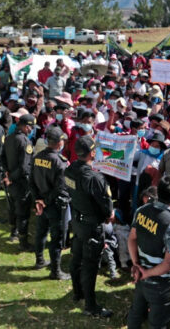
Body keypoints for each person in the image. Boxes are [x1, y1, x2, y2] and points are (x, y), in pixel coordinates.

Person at [66, 135, 114, 318]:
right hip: (92, 226)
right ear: (92, 152)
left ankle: (77, 292)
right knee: (90, 266)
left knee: (76, 258)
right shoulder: (95, 178)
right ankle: (91, 306)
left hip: (77, 221)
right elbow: (108, 209)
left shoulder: (69, 170)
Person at [127, 176, 170, 329]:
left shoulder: (142, 210)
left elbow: (131, 239)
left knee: (136, 313)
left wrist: (136, 265)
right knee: (158, 323)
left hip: (141, 276)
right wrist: (147, 273)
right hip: (161, 284)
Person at [31, 126, 72, 280]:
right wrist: (45, 202)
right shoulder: (60, 162)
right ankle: (56, 271)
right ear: (59, 143)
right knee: (56, 238)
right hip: (54, 205)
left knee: (41, 232)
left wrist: (38, 200)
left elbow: (32, 181)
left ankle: (40, 260)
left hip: (41, 203)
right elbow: (59, 188)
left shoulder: (37, 157)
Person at [1, 113, 36, 246]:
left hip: (11, 179)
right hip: (20, 181)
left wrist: (7, 174)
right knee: (22, 211)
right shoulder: (25, 142)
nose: (31, 130)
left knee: (12, 206)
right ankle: (23, 241)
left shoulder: (9, 138)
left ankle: (13, 232)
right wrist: (11, 177)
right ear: (26, 127)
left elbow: (2, 157)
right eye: (31, 128)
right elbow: (24, 167)